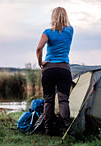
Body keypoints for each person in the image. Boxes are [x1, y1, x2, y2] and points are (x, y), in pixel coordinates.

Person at [36, 7, 74, 136]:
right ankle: (65, 130)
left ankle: (48, 130)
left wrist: (40, 62)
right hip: (64, 68)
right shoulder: (70, 31)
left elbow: (39, 48)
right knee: (63, 100)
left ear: (53, 17)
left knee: (49, 100)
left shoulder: (47, 32)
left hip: (49, 69)